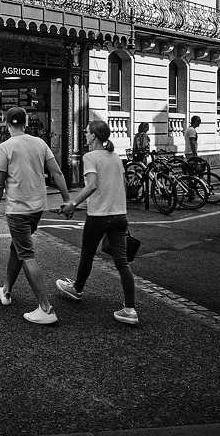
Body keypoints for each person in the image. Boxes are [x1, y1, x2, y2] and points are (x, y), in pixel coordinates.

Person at [0, 105, 72, 326]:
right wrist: (67, 199)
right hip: (37, 208)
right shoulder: (40, 143)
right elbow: (57, 172)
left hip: (18, 210)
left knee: (26, 254)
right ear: (26, 122)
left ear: (6, 123)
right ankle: (6, 291)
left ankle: (46, 307)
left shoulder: (4, 148)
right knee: (18, 248)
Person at [56, 119, 138, 326]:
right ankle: (130, 309)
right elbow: (122, 185)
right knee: (122, 263)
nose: (84, 134)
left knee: (87, 255)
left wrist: (73, 203)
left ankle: (77, 288)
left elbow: (92, 185)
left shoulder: (90, 156)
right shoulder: (116, 157)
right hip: (120, 215)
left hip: (99, 216)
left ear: (93, 136)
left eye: (86, 132)